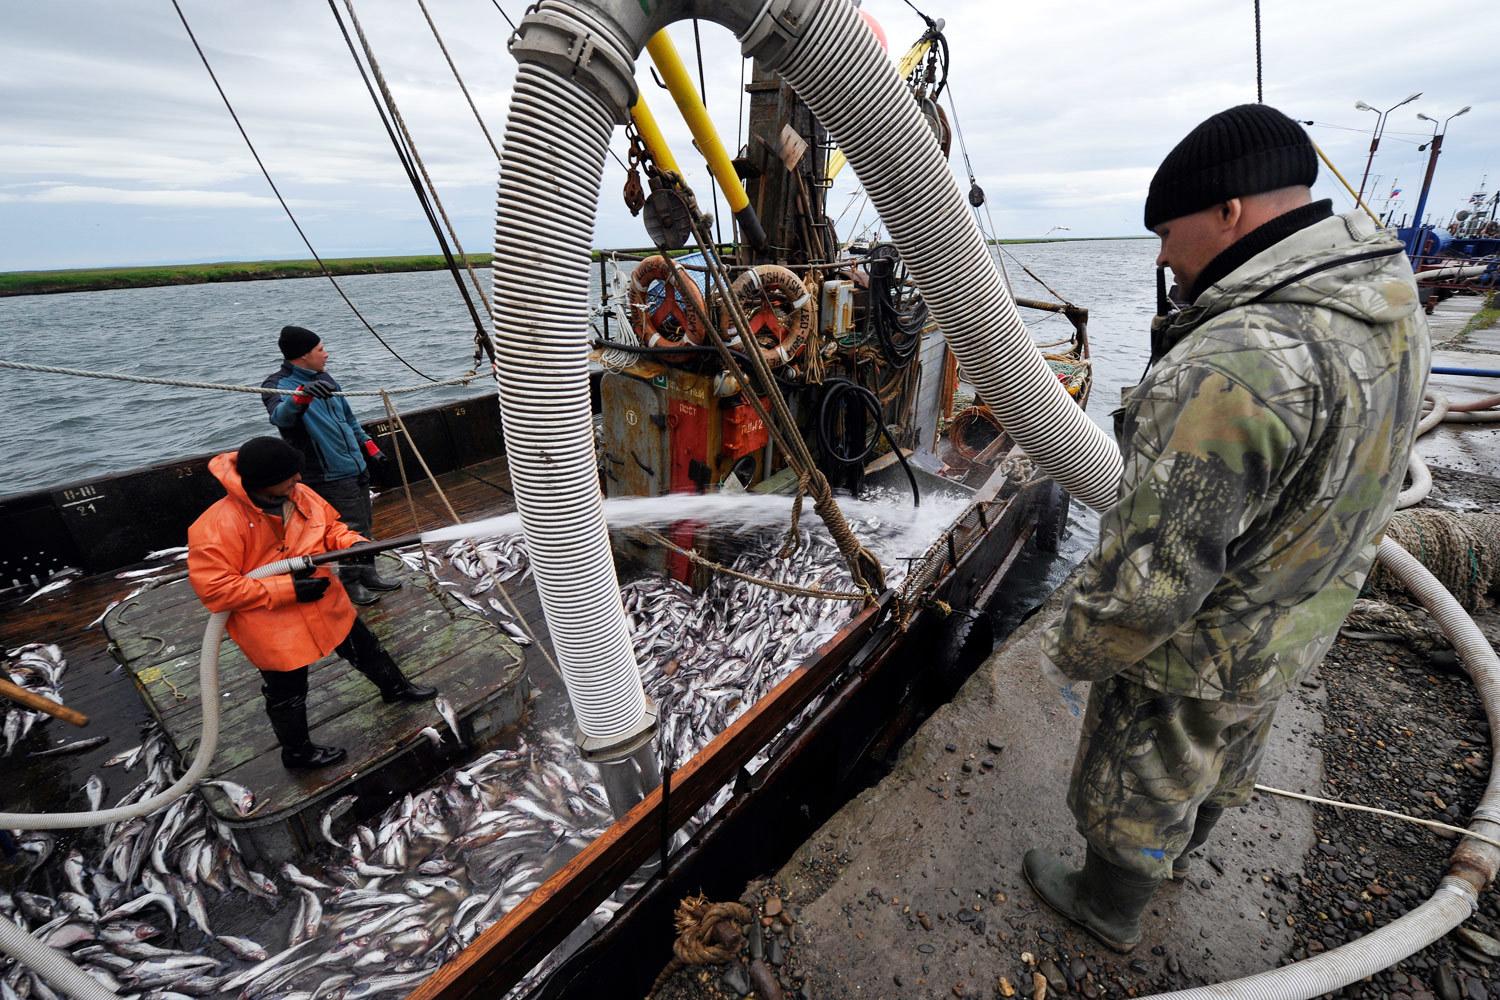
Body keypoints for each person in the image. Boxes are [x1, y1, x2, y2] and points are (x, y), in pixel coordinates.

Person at [1023, 105, 1430, 952]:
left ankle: (1107, 905)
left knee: (1146, 769)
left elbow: (1153, 579)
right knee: (1228, 743)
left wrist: (1075, 647)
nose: (1161, 257)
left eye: (1166, 233)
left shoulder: (1237, 358)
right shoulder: (1386, 302)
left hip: (1203, 640)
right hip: (1298, 610)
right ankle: (1179, 858)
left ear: (1229, 212)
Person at [187, 437, 437, 770]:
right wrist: (287, 589)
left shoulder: (299, 495)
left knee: (366, 648)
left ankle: (396, 688)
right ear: (264, 482)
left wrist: (354, 544)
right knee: (287, 691)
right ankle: (297, 752)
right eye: (289, 476)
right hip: (271, 623)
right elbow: (215, 589)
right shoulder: (216, 526)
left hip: (324, 600)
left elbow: (330, 528)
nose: (299, 479)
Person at [262, 324, 400, 607]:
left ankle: (369, 573)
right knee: (345, 530)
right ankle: (351, 584)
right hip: (327, 473)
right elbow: (281, 417)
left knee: (364, 524)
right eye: (320, 349)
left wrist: (369, 446)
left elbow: (347, 417)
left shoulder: (325, 378)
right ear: (303, 355)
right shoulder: (276, 384)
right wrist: (301, 396)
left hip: (355, 465)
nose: (326, 354)